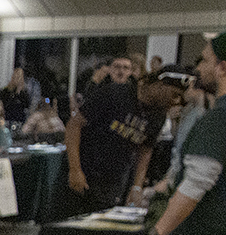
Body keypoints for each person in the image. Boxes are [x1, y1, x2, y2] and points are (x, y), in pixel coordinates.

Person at [133, 37, 226, 235]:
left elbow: (196, 184)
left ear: (223, 68)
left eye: (206, 60)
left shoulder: (217, 120)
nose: (198, 69)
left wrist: (158, 234)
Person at [58, 63, 185, 219]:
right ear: (160, 85)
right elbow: (74, 125)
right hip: (85, 169)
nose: (176, 101)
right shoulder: (115, 93)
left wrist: (137, 186)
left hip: (113, 181)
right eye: (174, 94)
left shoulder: (158, 115)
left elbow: (145, 150)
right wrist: (75, 169)